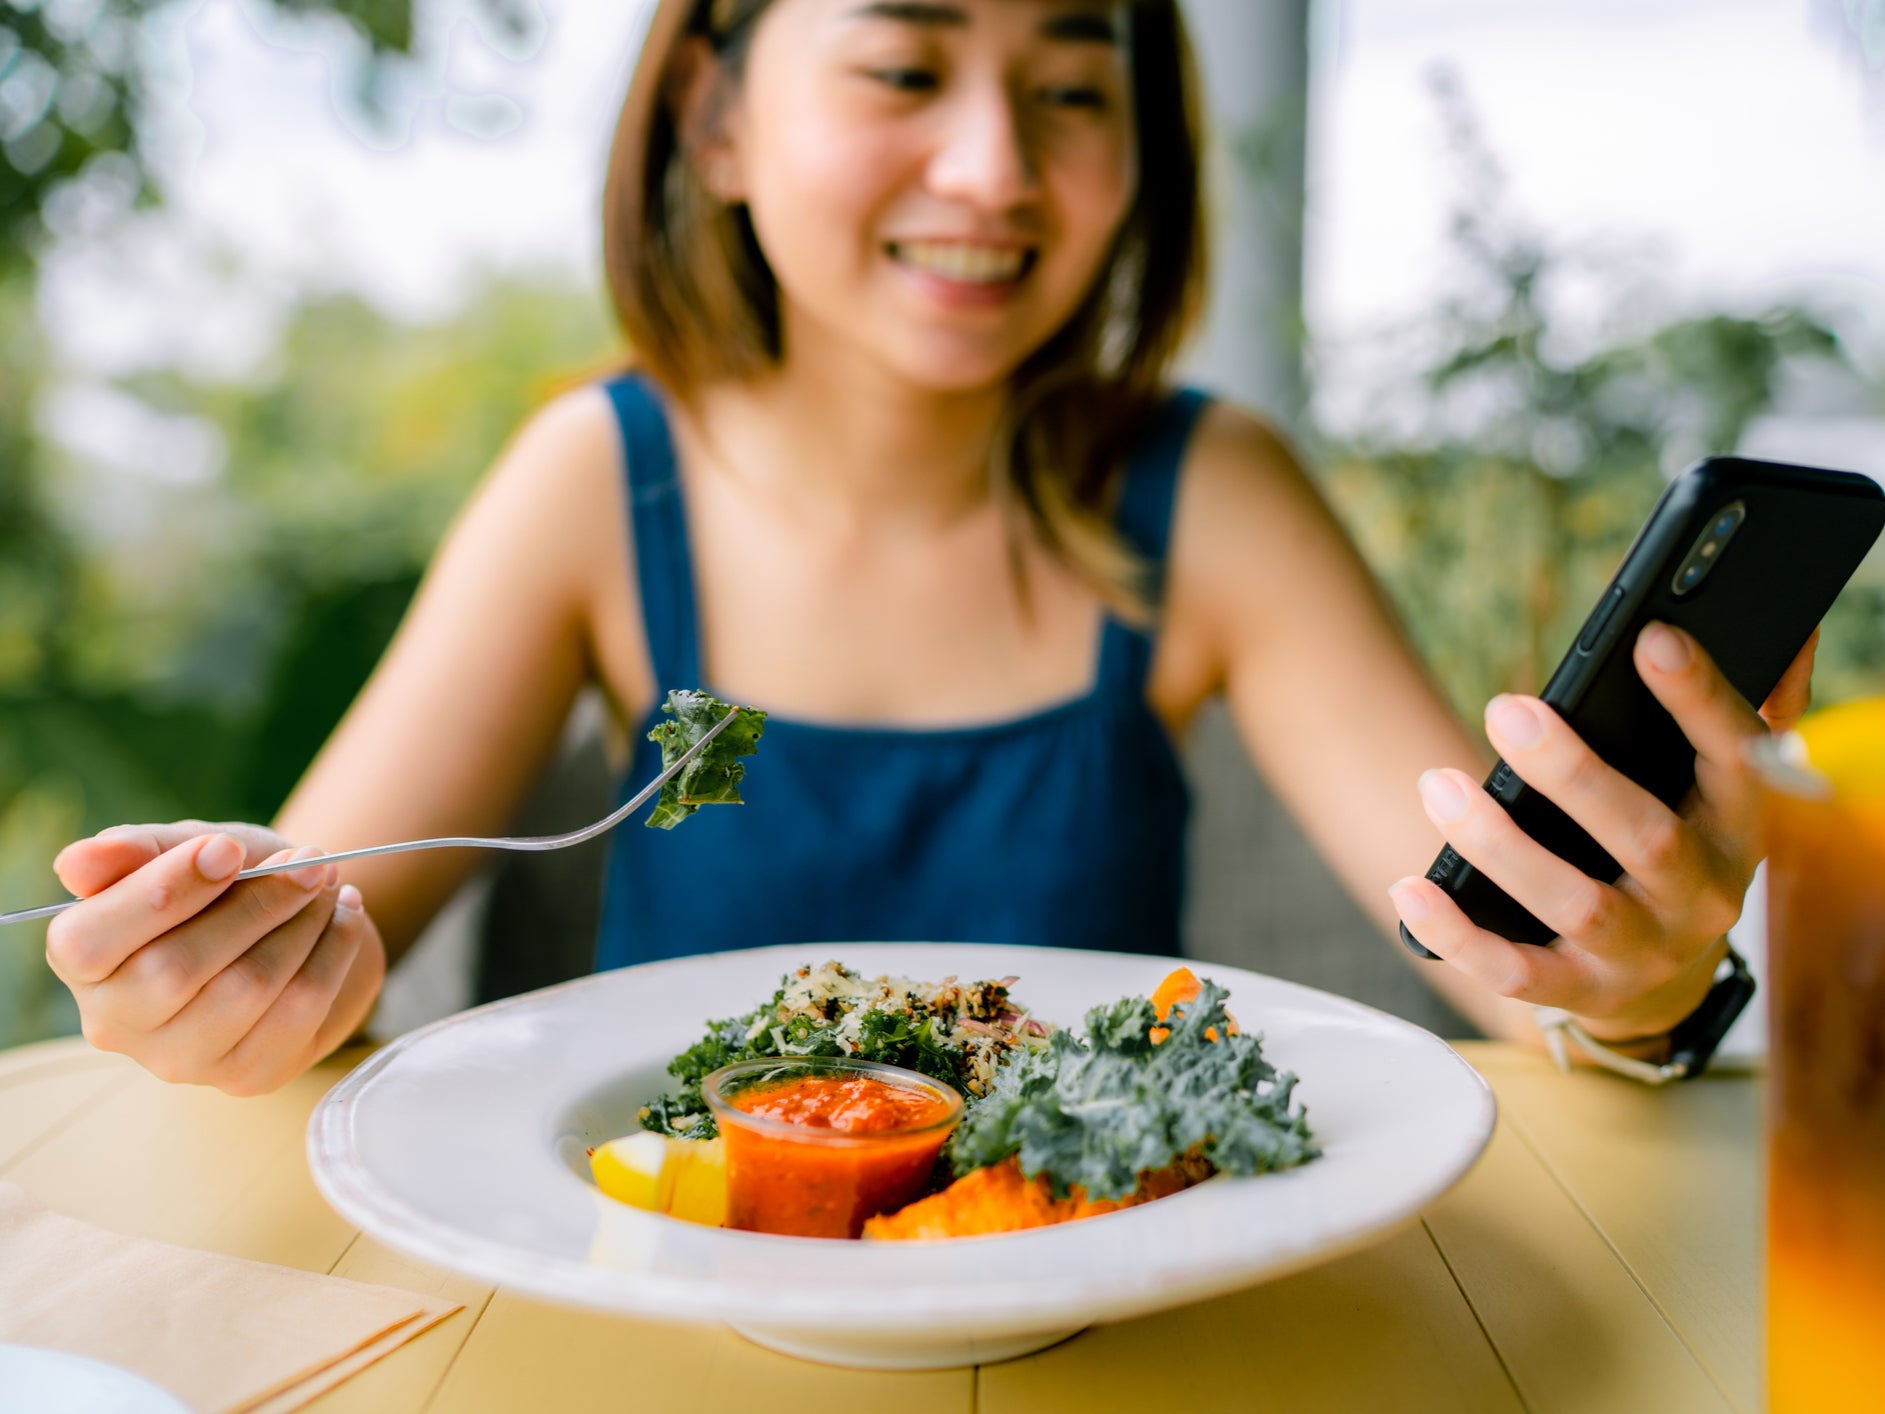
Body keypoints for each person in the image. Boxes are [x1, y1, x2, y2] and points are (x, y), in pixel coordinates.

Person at [42, 0, 1810, 1096]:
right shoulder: (596, 478)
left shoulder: (1209, 496)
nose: (995, 168)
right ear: (713, 119)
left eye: (1072, 89)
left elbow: (1500, 959)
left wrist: (1638, 983)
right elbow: (322, 902)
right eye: (902, 61)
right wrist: (223, 966)